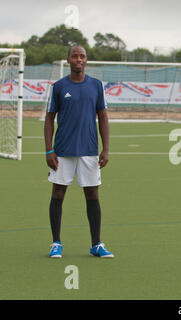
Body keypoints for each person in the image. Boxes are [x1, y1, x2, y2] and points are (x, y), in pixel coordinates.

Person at [44, 45, 114, 258]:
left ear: (86, 60)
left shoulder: (96, 85)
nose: (78, 59)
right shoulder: (58, 86)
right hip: (63, 150)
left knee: (92, 194)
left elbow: (103, 116)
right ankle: (56, 243)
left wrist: (106, 149)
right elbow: (49, 119)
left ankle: (96, 244)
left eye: (82, 56)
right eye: (74, 56)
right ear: (68, 60)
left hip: (89, 151)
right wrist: (49, 150)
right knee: (58, 193)